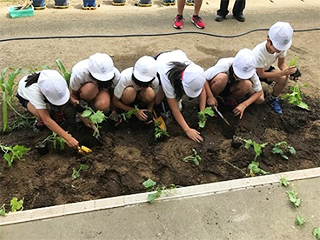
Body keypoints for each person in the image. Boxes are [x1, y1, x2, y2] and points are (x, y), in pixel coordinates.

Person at [16, 70, 79, 148]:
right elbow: (47, 120)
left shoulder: (56, 78)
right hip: (26, 98)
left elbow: (63, 92)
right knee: (42, 115)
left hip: (48, 94)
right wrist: (68, 138)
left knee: (60, 106)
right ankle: (40, 119)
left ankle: (56, 113)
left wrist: (72, 100)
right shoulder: (34, 91)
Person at [155, 50, 206, 142]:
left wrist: (202, 112)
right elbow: (174, 108)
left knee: (178, 98)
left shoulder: (196, 73)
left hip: (176, 59)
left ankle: (178, 96)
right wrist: (187, 130)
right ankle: (159, 109)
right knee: (157, 99)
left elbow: (203, 90)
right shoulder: (167, 76)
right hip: (159, 65)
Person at [205, 48, 264, 119]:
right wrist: (210, 96)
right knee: (222, 78)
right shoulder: (225, 64)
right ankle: (212, 101)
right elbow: (204, 78)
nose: (239, 78)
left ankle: (229, 99)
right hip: (217, 86)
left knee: (247, 84)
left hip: (231, 88)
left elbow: (259, 92)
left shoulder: (251, 71)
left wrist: (244, 104)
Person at [252, 21, 297, 115]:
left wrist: (289, 72)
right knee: (259, 100)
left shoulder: (281, 48)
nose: (279, 50)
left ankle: (273, 98)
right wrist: (282, 73)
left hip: (266, 69)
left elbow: (282, 64)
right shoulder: (258, 53)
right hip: (253, 73)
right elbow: (261, 74)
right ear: (268, 40)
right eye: (277, 47)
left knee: (284, 78)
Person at [70, 53, 122, 129]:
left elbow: (114, 96)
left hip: (102, 91)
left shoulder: (116, 75)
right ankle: (84, 109)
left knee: (103, 104)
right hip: (86, 91)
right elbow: (73, 95)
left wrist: (114, 112)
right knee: (90, 89)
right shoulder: (80, 73)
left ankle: (95, 112)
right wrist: (80, 112)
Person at [113, 56, 159, 122]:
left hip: (141, 97)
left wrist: (149, 112)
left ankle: (142, 106)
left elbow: (153, 98)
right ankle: (126, 109)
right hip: (128, 99)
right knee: (130, 92)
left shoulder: (155, 81)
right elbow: (115, 101)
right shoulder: (125, 78)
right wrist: (134, 111)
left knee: (150, 93)